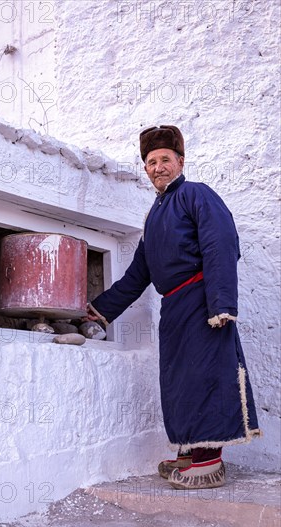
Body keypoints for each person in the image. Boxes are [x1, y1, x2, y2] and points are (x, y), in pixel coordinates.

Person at [86, 125, 260, 489]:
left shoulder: (197, 195)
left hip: (202, 301)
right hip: (174, 307)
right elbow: (138, 273)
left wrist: (221, 303)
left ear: (181, 161)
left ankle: (209, 462)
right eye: (151, 161)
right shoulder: (153, 216)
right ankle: (190, 453)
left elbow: (220, 242)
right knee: (179, 381)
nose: (158, 166)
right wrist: (100, 310)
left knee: (205, 376)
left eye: (165, 159)